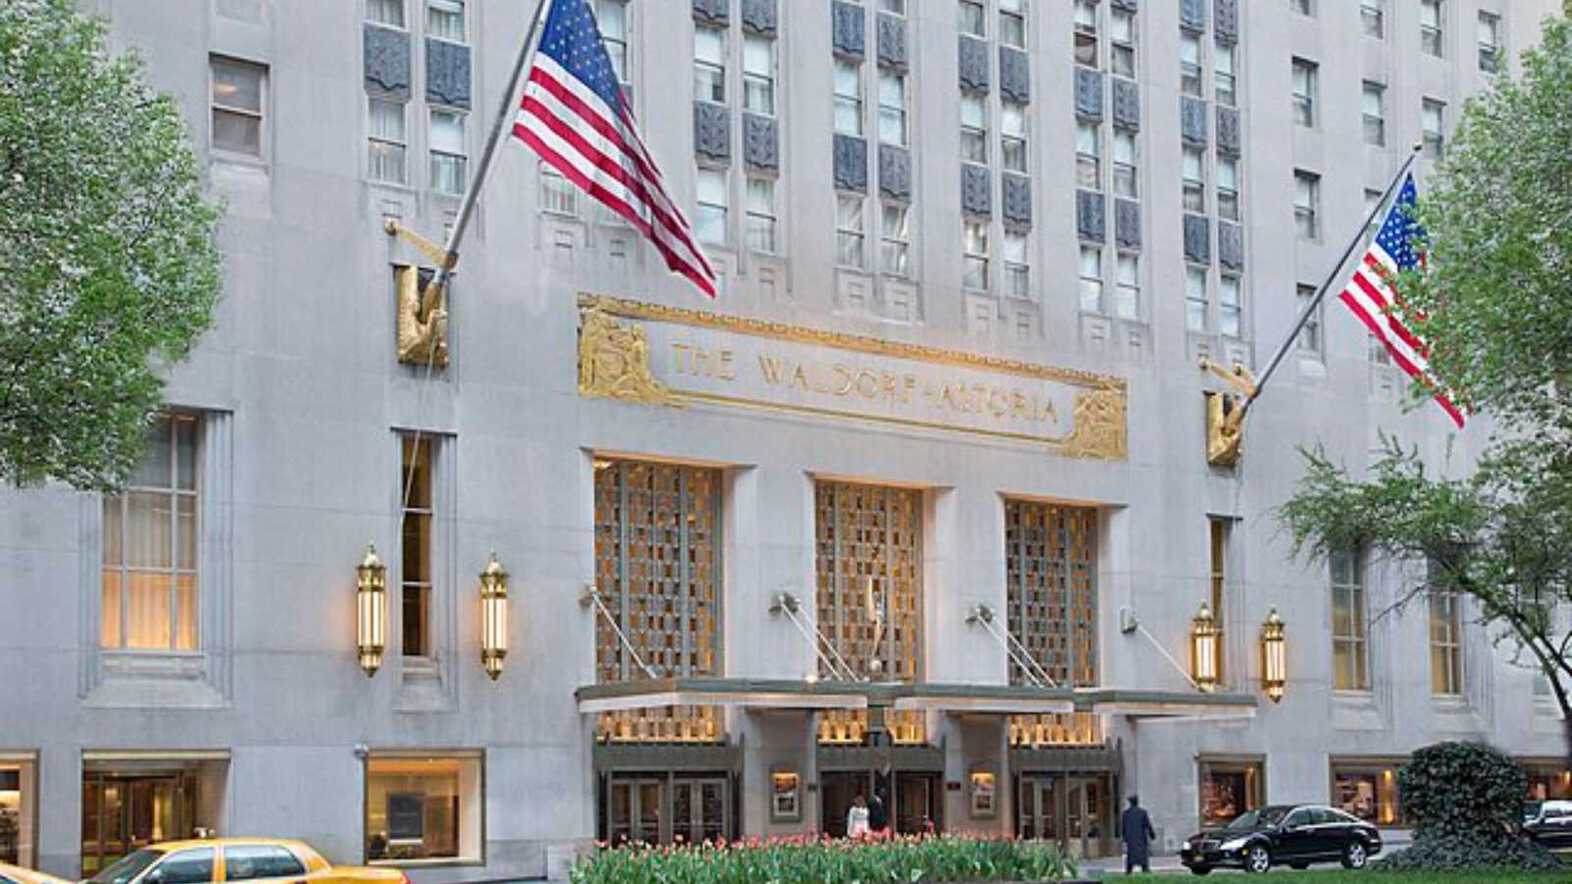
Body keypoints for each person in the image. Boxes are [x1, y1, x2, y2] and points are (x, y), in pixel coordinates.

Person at [1120, 794, 1156, 874]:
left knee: (1131, 855)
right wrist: (1152, 835)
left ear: (1130, 803)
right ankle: (1145, 868)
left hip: (1131, 838)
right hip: (1141, 838)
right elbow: (1148, 825)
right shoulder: (1142, 812)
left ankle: (1129, 870)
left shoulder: (1126, 813)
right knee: (1142, 855)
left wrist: (1124, 838)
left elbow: (1123, 827)